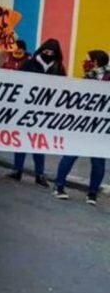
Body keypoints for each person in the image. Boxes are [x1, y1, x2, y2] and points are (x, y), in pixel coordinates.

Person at [6, 38, 66, 186]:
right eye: (46, 51)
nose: (48, 54)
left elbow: (63, 87)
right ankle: (17, 170)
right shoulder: (30, 63)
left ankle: (40, 174)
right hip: (26, 107)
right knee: (20, 140)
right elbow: (18, 81)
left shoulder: (58, 68)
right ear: (41, 50)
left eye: (51, 53)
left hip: (45, 110)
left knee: (38, 143)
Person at [52, 50, 109, 204]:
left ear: (96, 61)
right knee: (70, 156)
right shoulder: (86, 77)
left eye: (87, 59)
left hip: (100, 129)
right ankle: (59, 186)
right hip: (81, 125)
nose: (85, 62)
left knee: (98, 163)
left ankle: (92, 193)